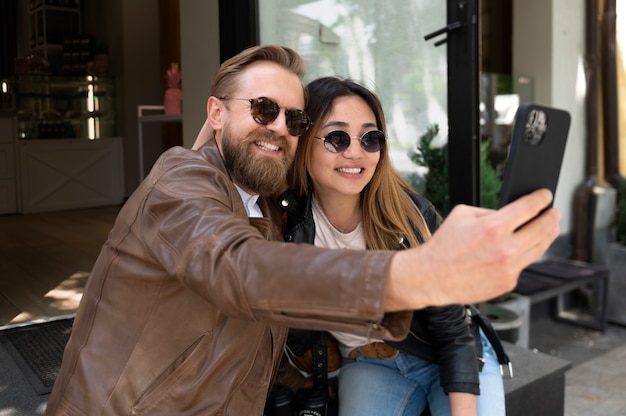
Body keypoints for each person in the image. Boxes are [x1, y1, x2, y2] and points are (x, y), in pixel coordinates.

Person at [44, 44, 560, 415]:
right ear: (216, 113)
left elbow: (268, 324)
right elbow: (240, 270)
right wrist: (419, 273)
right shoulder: (182, 181)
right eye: (264, 109)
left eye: (292, 120)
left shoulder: (275, 211)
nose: (278, 128)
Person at [277, 76, 506, 416]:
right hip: (368, 364)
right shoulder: (285, 218)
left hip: (443, 352)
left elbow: (453, 329)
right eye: (337, 138)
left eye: (370, 138)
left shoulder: (408, 216)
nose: (355, 152)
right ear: (305, 139)